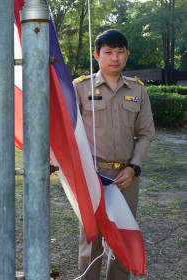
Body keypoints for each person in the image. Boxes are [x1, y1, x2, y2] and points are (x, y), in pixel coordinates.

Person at [73, 29, 155, 280]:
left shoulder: (138, 90)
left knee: (122, 236)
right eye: (108, 52)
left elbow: (146, 133)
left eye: (120, 52)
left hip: (126, 177)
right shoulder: (80, 87)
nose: (115, 58)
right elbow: (69, 131)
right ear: (97, 55)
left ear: (127, 55)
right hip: (93, 176)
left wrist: (134, 168)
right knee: (92, 238)